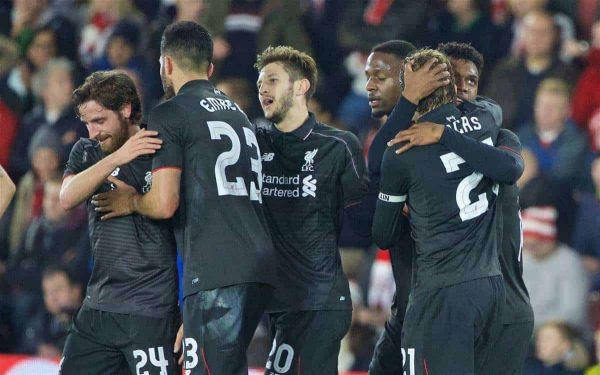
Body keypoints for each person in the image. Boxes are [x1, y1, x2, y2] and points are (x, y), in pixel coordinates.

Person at [92, 21, 275, 374]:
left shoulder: (169, 113)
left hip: (216, 269)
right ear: (209, 68)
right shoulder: (238, 113)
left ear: (167, 64)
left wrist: (130, 201)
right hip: (260, 267)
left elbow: (164, 203)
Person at [386, 42, 535, 374]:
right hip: (497, 305)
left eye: (472, 81)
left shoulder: (500, 138)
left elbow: (508, 166)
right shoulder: (422, 153)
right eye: (454, 78)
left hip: (484, 304)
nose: (464, 88)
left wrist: (442, 133)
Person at [254, 45, 368, 374]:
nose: (263, 89)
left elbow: (362, 215)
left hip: (319, 300)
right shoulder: (254, 145)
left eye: (273, 80)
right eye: (260, 82)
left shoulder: (339, 146)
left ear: (301, 86)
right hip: (276, 302)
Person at [58, 70, 180, 375]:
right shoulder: (86, 152)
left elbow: (182, 219)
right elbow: (66, 197)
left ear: (126, 109)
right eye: (87, 123)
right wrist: (116, 158)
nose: (93, 132)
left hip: (150, 310)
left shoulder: (161, 149)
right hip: (98, 308)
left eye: (99, 121)